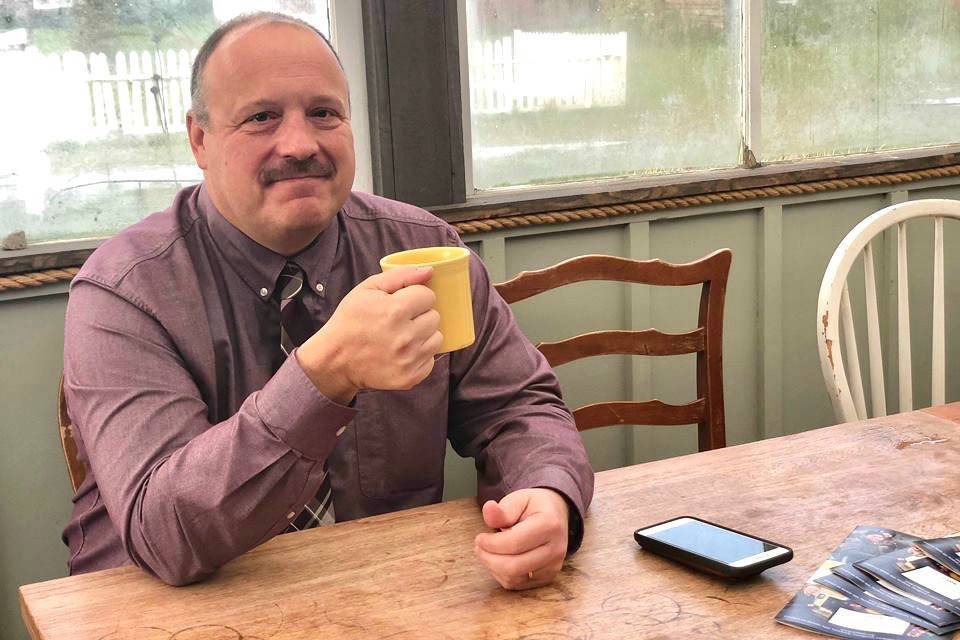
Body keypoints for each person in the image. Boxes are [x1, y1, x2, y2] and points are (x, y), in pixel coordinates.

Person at [61, 12, 593, 590]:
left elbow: (518, 407)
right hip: (163, 608)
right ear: (200, 139)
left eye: (323, 113)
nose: (300, 144)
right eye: (261, 118)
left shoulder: (424, 250)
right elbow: (163, 532)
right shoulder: (123, 291)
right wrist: (325, 374)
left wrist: (547, 492)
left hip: (376, 595)